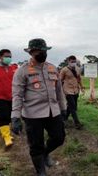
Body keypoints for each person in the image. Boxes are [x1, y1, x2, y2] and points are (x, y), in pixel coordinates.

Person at [11, 38, 66, 176]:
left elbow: (59, 91)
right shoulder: (22, 71)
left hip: (53, 111)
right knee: (36, 145)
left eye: (44, 51)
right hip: (32, 114)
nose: (42, 53)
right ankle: (40, 171)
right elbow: (17, 95)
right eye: (39, 51)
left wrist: (63, 108)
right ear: (31, 52)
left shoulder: (53, 68)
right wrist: (15, 117)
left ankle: (46, 153)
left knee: (59, 138)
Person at [60, 55, 85, 129]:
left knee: (71, 106)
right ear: (68, 61)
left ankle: (64, 118)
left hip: (75, 90)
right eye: (72, 62)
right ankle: (77, 123)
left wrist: (82, 87)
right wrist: (59, 91)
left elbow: (79, 79)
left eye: (74, 61)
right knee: (73, 107)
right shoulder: (64, 70)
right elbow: (60, 80)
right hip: (67, 90)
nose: (73, 63)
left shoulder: (78, 69)